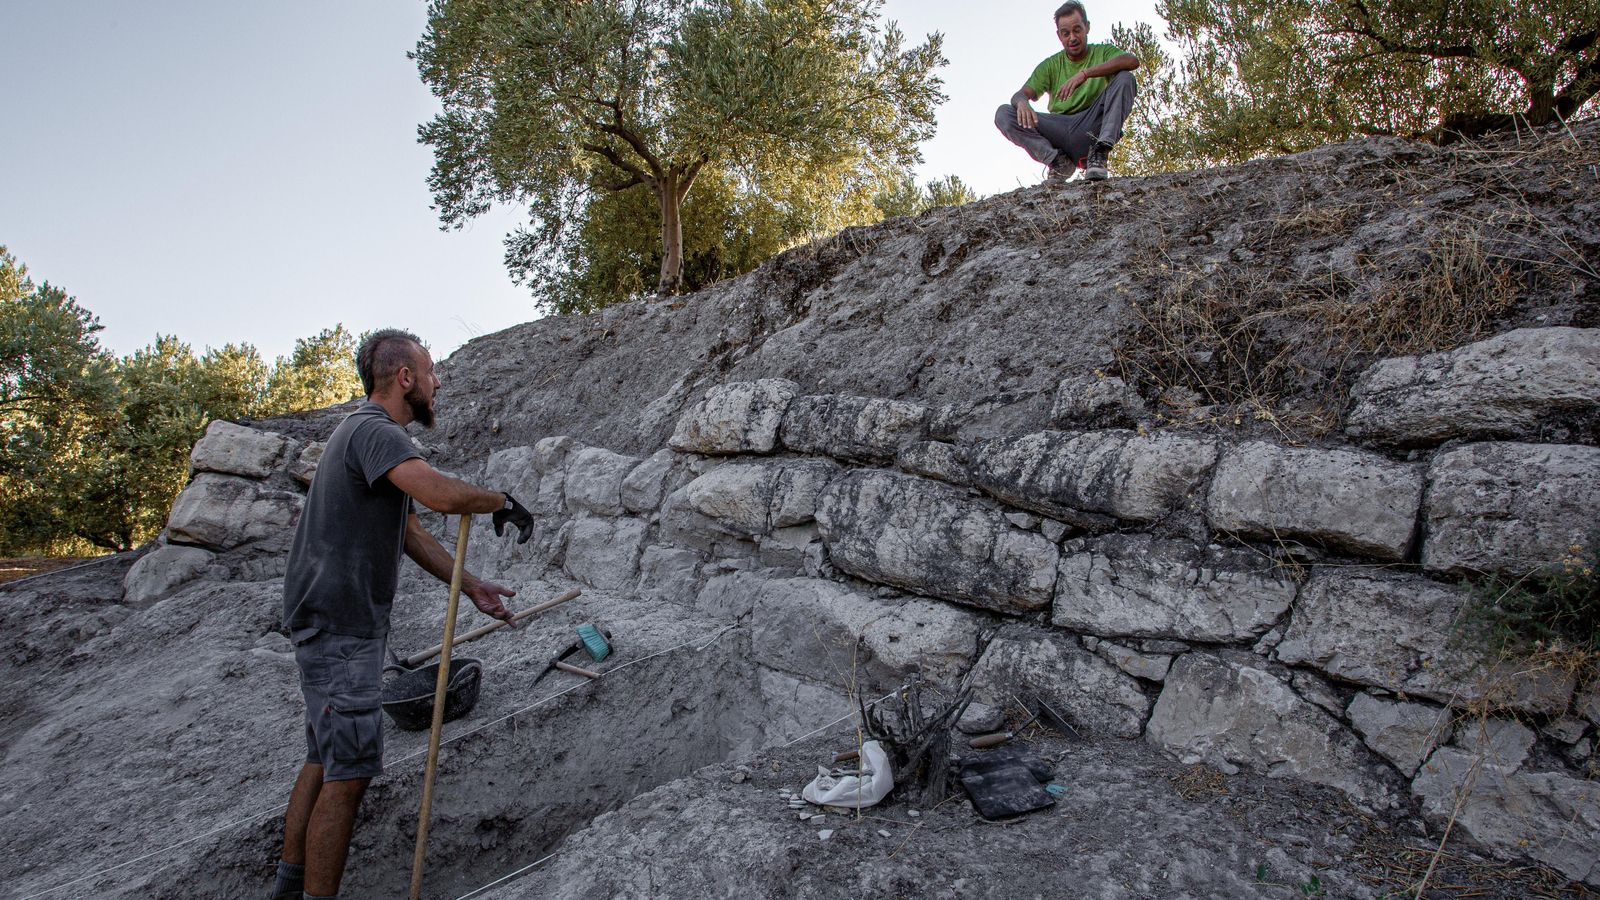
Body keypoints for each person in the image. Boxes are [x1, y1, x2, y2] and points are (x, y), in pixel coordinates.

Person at [270, 328, 536, 900]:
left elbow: (411, 529)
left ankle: (288, 890)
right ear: (406, 378)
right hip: (341, 626)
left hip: (332, 621)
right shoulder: (373, 429)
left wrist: (470, 585)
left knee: (324, 758)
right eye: (431, 372)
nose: (439, 382)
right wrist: (500, 501)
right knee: (350, 773)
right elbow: (439, 495)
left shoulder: (362, 437)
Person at [994, 1, 1140, 181]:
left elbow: (1132, 61)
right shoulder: (1051, 65)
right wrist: (1022, 102)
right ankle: (1058, 161)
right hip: (1059, 130)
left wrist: (1085, 74)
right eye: (1066, 33)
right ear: (1059, 36)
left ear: (1087, 27)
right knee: (1004, 113)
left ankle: (1100, 152)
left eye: (1077, 30)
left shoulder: (1103, 52)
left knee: (1126, 78)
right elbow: (1020, 94)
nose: (1072, 37)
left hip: (1092, 125)